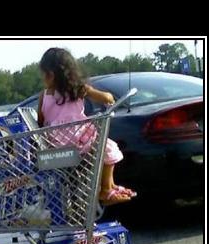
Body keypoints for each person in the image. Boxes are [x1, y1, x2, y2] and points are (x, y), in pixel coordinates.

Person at [37, 47, 136, 205]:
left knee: (102, 148)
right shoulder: (79, 89)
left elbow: (40, 121)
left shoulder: (44, 95)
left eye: (43, 74)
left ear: (50, 74)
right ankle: (106, 189)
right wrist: (102, 96)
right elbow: (107, 98)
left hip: (56, 145)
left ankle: (110, 187)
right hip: (78, 141)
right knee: (108, 147)